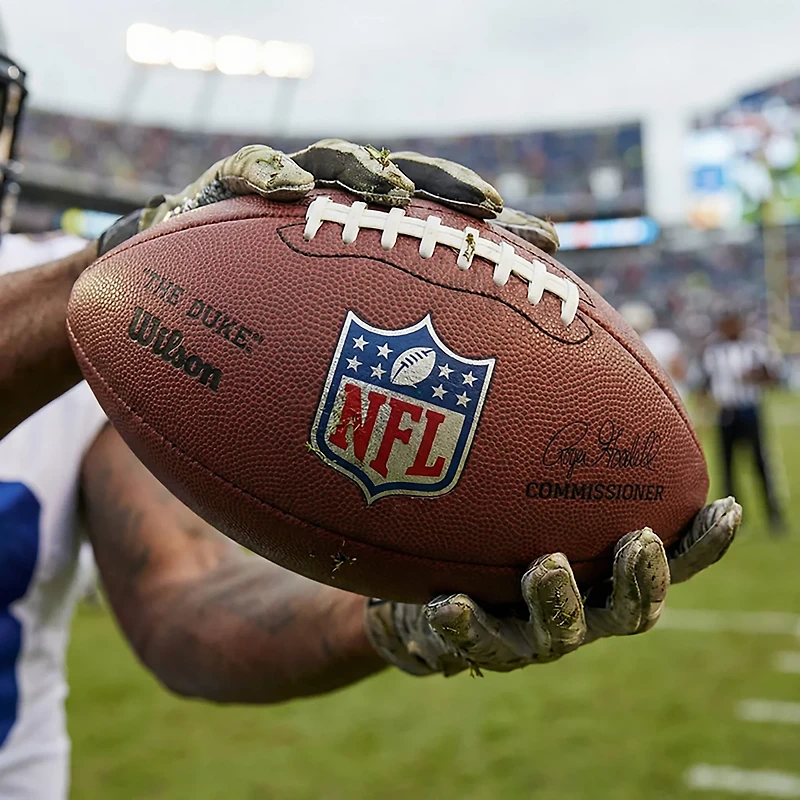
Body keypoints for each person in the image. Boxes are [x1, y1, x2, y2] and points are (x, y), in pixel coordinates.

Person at [0, 28, 740, 800]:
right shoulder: (98, 304)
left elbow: (185, 603)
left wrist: (388, 619)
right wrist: (109, 267)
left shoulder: (107, 329)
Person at [701, 308, 784, 533]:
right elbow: (705, 382)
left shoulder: (755, 347)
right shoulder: (714, 350)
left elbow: (773, 376)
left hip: (748, 410)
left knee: (760, 463)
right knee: (727, 466)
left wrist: (756, 375)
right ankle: (733, 518)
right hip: (726, 412)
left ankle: (773, 514)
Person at [620, 301, 689, 397]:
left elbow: (678, 369)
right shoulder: (663, 339)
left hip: (645, 394)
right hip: (664, 394)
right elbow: (679, 371)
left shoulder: (661, 340)